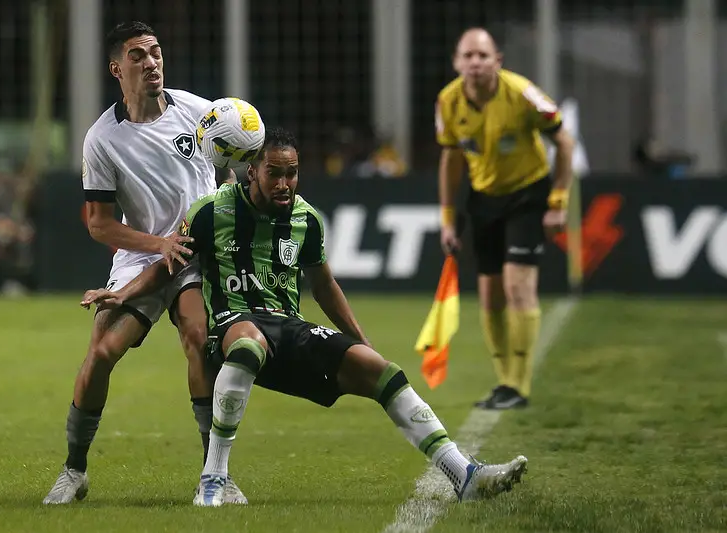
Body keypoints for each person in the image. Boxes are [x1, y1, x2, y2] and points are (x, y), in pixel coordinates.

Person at [81, 127, 529, 507]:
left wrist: (359, 339)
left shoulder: (307, 220)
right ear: (251, 170)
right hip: (231, 326)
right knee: (247, 341)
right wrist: (121, 295)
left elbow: (324, 286)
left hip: (288, 327)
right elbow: (166, 266)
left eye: (290, 173)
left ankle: (463, 475)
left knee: (384, 373)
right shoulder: (211, 211)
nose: (283, 183)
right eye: (273, 173)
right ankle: (212, 479)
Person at [42, 21, 247, 505]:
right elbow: (99, 224)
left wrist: (234, 197)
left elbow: (237, 166)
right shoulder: (102, 139)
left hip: (195, 255)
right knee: (101, 353)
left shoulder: (199, 111)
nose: (151, 62)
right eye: (138, 55)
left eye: (155, 52)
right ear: (117, 68)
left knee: (199, 338)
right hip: (142, 254)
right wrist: (158, 245)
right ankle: (74, 471)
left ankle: (214, 474)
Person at [435, 28, 575, 410]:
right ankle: (503, 381)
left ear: (498, 60)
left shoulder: (522, 93)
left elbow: (564, 140)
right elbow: (450, 159)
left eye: (483, 55)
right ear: (457, 62)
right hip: (484, 199)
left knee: (518, 286)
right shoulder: (448, 102)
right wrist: (448, 218)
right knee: (490, 294)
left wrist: (558, 200)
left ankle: (519, 384)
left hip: (528, 194)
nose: (475, 63)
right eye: (468, 56)